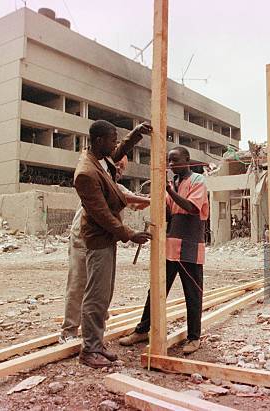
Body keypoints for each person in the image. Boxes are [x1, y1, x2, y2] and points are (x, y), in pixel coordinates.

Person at [73, 119, 152, 368]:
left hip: (106, 237)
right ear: (99, 141)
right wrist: (129, 233)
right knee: (96, 296)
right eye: (112, 140)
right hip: (99, 238)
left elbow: (119, 151)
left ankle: (96, 343)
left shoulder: (100, 159)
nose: (115, 145)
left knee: (104, 293)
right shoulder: (86, 173)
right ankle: (89, 350)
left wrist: (136, 133)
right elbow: (101, 215)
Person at [119, 146, 209, 354]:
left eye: (175, 160)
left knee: (192, 293)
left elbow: (191, 208)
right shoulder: (174, 183)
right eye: (169, 161)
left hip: (190, 245)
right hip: (170, 245)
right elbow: (169, 213)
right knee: (157, 289)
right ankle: (143, 329)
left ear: (187, 160)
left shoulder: (198, 181)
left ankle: (194, 337)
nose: (171, 165)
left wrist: (168, 191)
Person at [60, 156, 149, 343]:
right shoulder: (95, 180)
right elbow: (122, 200)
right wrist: (130, 232)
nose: (119, 170)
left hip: (104, 241)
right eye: (116, 166)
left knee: (103, 287)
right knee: (78, 284)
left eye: (122, 168)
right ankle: (69, 330)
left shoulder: (116, 186)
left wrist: (154, 198)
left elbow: (135, 202)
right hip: (83, 239)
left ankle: (94, 326)